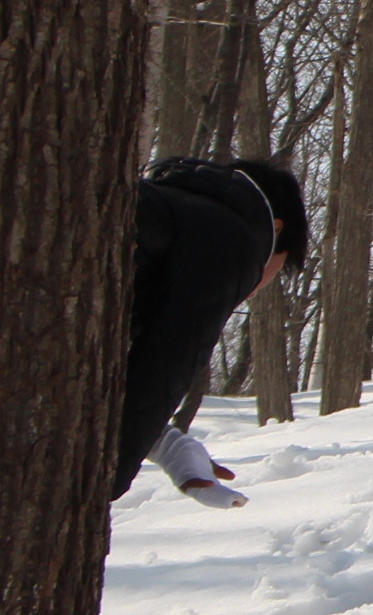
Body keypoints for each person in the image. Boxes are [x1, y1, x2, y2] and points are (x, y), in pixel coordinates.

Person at [115, 157, 308, 507]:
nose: (257, 287)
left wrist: (164, 442)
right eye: (278, 267)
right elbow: (168, 359)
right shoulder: (230, 239)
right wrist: (102, 478)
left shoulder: (166, 207)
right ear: (276, 230)